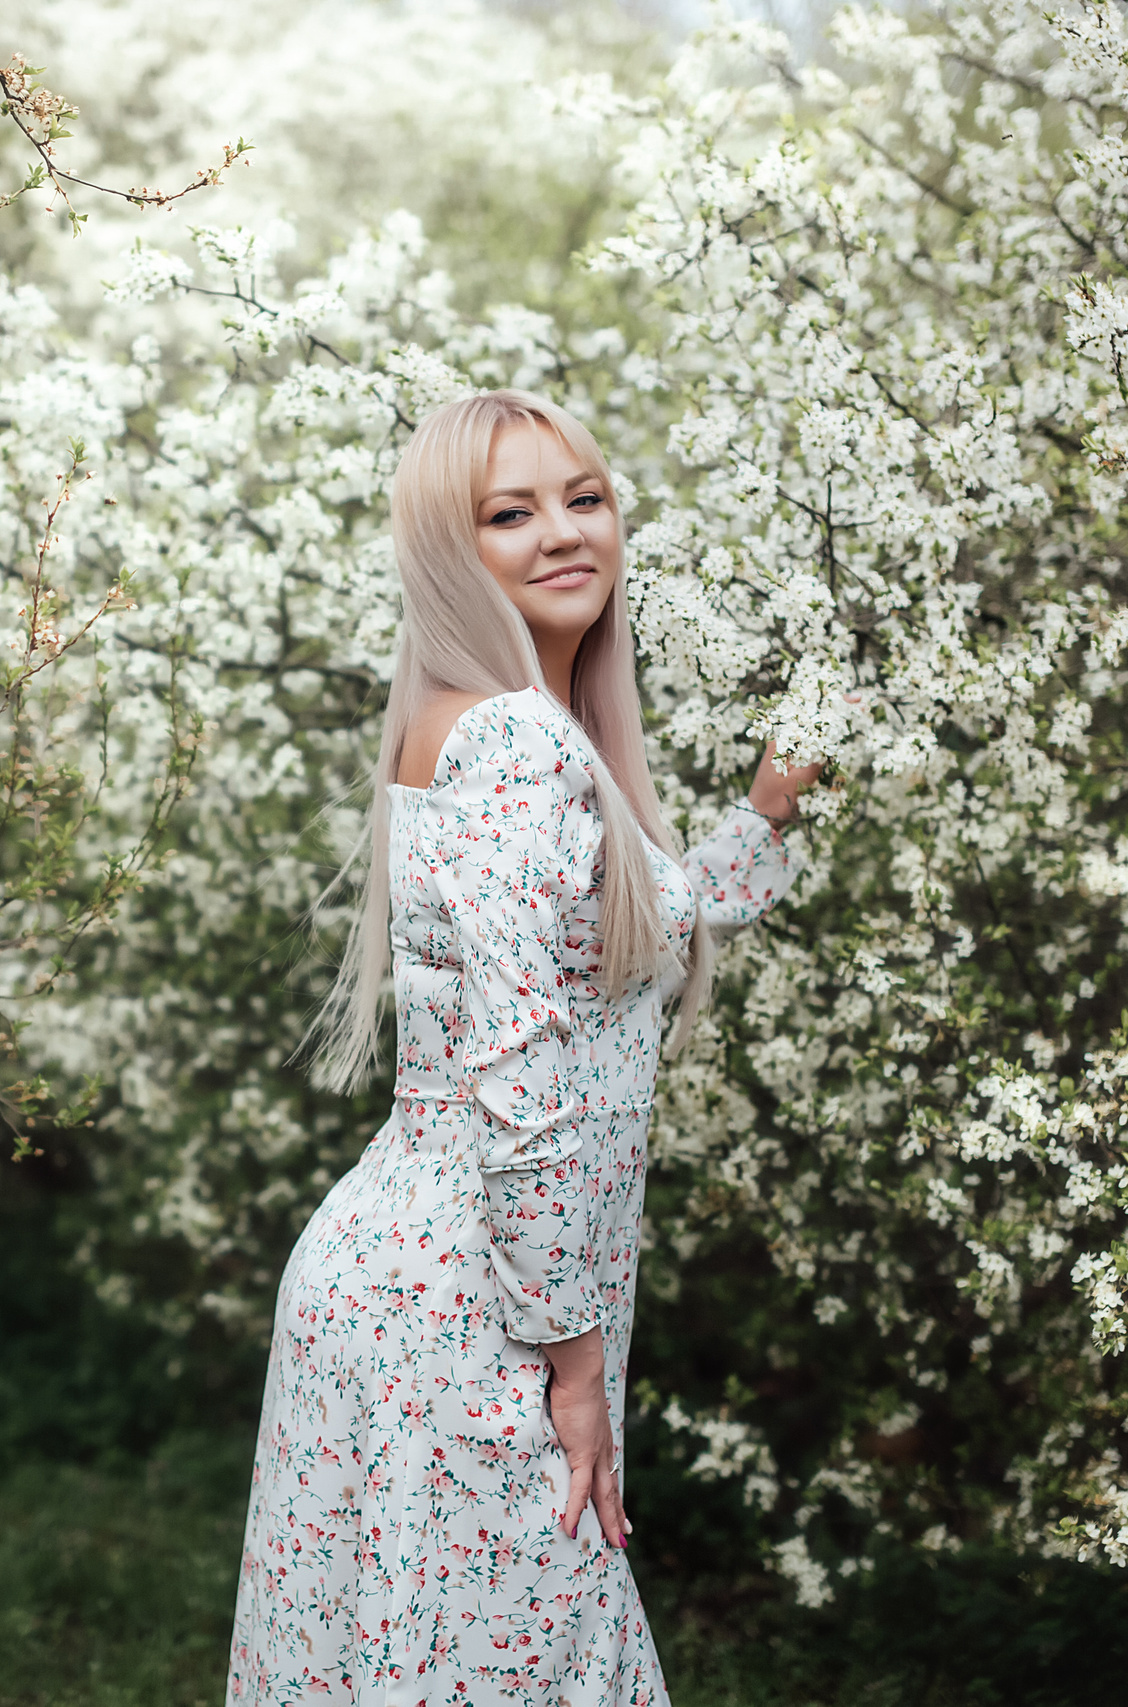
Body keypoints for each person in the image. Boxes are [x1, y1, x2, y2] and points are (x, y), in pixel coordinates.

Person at [225, 390, 822, 1704]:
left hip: (426, 1280)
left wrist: (765, 815)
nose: (562, 532)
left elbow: (624, 923)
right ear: (454, 550)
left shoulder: (499, 725)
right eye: (510, 512)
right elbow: (521, 1081)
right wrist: (574, 1364)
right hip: (469, 1313)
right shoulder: (510, 741)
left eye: (582, 497)